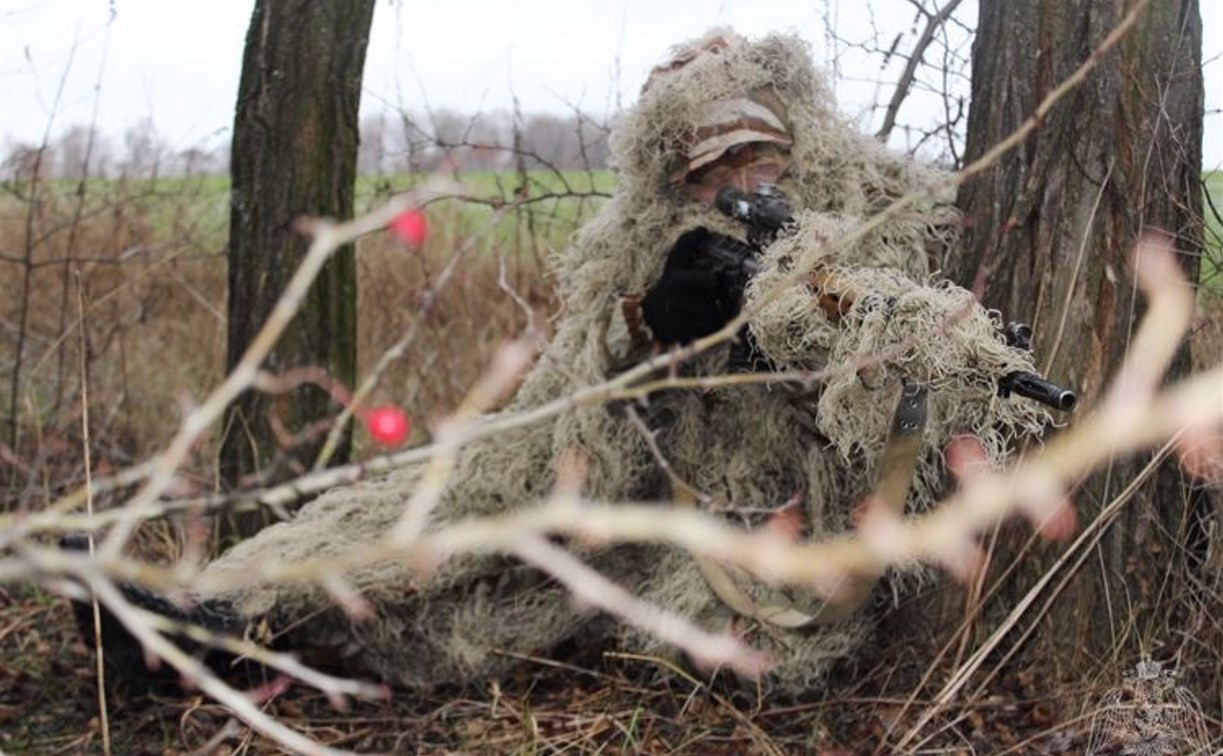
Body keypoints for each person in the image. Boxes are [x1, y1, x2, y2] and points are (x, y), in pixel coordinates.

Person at [78, 29, 1053, 695]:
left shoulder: (872, 202)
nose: (733, 187)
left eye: (754, 160)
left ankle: (254, 645)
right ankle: (209, 620)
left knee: (501, 615)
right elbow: (580, 393)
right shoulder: (647, 236)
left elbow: (890, 360)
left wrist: (778, 334)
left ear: (792, 138)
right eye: (706, 172)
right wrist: (651, 323)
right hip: (629, 481)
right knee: (451, 502)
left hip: (751, 538)